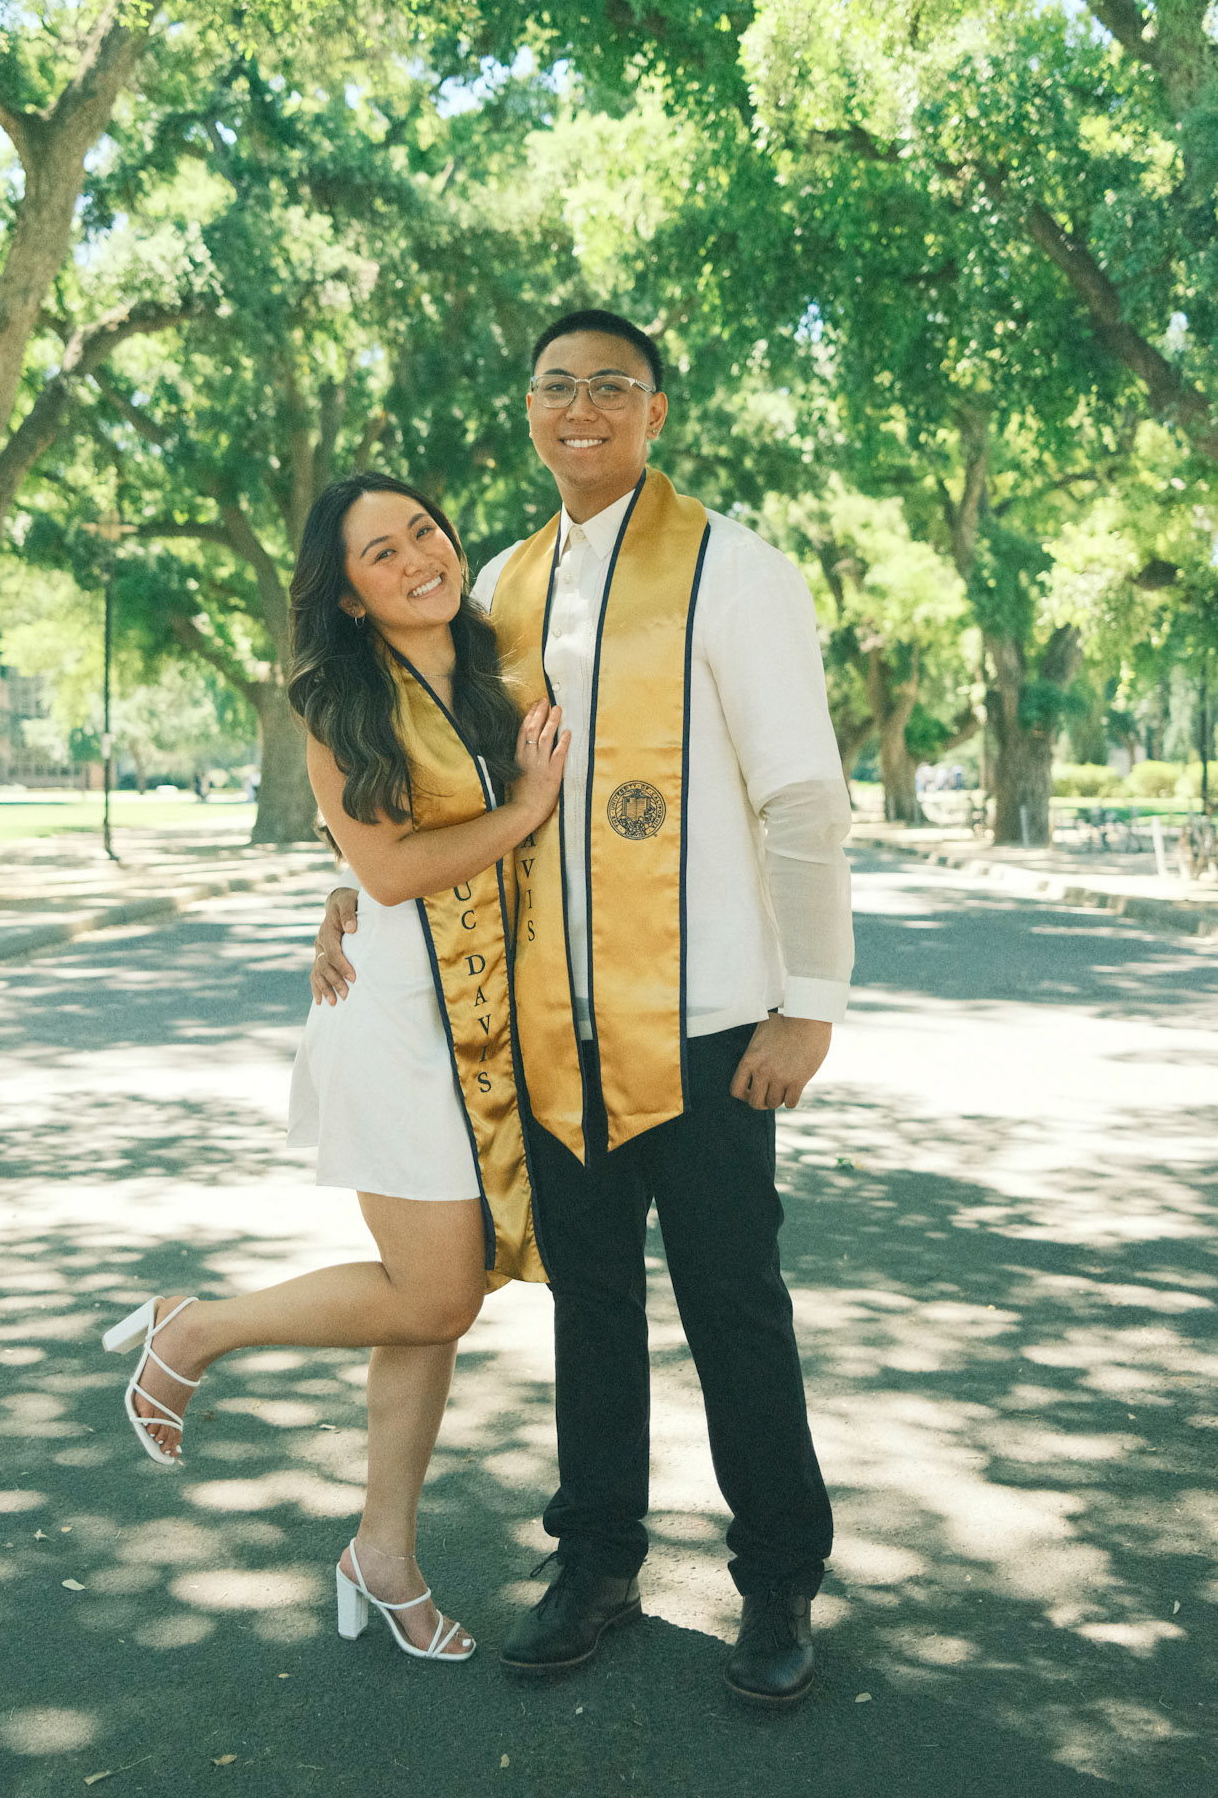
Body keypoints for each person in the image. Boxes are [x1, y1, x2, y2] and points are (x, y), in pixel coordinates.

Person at [312, 311, 854, 1706]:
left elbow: (803, 797)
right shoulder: (500, 580)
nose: (583, 408)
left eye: (612, 386)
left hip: (711, 1017)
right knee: (591, 1307)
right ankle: (598, 1561)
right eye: (558, 385)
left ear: (655, 411)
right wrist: (349, 889)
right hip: (553, 1019)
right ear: (531, 410)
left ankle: (778, 1575)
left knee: (735, 1305)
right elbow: (436, 773)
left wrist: (809, 1001)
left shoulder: (735, 569)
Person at [102, 472, 567, 1665]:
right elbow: (397, 869)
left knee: (433, 1305)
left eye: (423, 529)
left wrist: (343, 883)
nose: (418, 556)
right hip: (396, 1022)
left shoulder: (501, 664)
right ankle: (196, 1328)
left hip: (491, 1026)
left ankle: (384, 1552)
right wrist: (520, 809)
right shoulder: (336, 701)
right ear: (349, 594)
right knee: (438, 1294)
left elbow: (378, 860)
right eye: (381, 553)